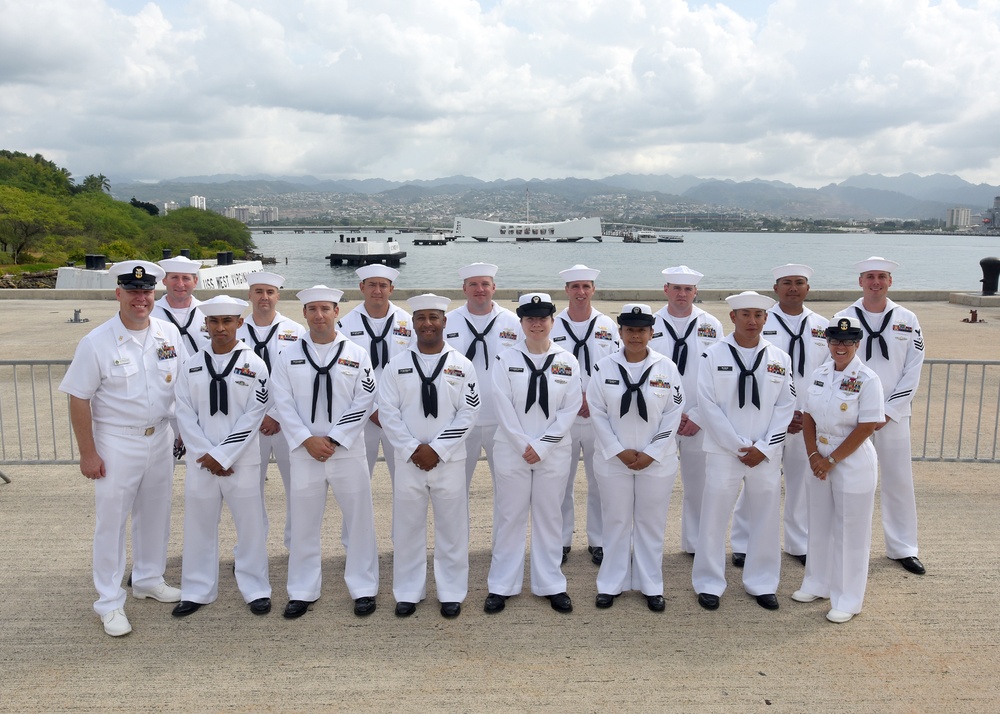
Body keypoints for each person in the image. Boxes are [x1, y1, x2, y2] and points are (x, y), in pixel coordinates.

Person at [59, 260, 183, 637]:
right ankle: (110, 602)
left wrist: (182, 432)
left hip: (160, 437)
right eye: (132, 291)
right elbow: (78, 398)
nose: (140, 298)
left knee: (156, 513)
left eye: (146, 292)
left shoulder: (168, 334)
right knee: (112, 523)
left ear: (154, 294)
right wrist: (88, 453)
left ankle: (147, 578)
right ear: (118, 293)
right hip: (116, 441)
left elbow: (181, 387)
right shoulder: (95, 342)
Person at [270, 285, 380, 619]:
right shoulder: (287, 355)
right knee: (303, 523)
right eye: (312, 309)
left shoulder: (357, 353)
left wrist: (333, 437)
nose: (319, 315)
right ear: (304, 314)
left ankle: (363, 587)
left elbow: (366, 400)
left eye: (326, 309)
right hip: (305, 452)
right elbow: (282, 403)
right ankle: (302, 590)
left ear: (337, 313)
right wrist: (307, 439)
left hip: (346, 450)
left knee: (360, 521)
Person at [378, 294, 480, 619]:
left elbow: (469, 412)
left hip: (448, 461)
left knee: (452, 529)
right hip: (408, 461)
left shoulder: (462, 365)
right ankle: (408, 591)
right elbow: (387, 412)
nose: (427, 324)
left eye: (434, 317)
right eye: (421, 318)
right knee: (408, 528)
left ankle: (451, 592)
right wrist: (412, 448)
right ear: (413, 324)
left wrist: (437, 448)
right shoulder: (396, 365)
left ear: (444, 322)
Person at [692, 291, 795, 612]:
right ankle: (708, 582)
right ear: (732, 318)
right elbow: (707, 406)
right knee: (713, 518)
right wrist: (738, 446)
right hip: (725, 453)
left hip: (765, 455)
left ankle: (762, 582)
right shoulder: (712, 355)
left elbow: (786, 406)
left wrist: (763, 447)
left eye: (759, 316)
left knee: (765, 519)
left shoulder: (780, 358)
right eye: (746, 315)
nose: (753, 321)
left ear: (766, 319)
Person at [172, 296, 272, 618]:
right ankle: (197, 589)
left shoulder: (255, 365)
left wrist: (225, 455)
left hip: (241, 460)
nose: (220, 328)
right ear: (206, 325)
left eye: (227, 321)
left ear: (239, 323)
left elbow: (255, 414)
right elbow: (184, 414)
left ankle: (256, 588)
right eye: (213, 322)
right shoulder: (191, 365)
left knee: (250, 526)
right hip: (202, 462)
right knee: (198, 525)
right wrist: (207, 454)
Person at [485, 293, 582, 615]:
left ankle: (550, 583)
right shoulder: (505, 359)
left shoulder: (567, 361)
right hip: (512, 450)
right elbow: (501, 405)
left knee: (549, 517)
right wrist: (522, 444)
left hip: (552, 452)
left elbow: (570, 409)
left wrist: (542, 445)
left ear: (553, 321)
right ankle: (502, 585)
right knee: (510, 516)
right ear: (521, 323)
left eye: (543, 318)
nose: (537, 324)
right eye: (530, 319)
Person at [587, 304, 685, 612]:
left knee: (650, 524)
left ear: (651, 333)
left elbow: (673, 414)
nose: (636, 335)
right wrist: (618, 450)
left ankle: (650, 585)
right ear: (620, 332)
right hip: (613, 460)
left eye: (642, 330)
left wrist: (652, 453)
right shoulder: (603, 368)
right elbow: (597, 413)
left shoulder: (667, 368)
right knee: (615, 522)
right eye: (629, 330)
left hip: (657, 462)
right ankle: (610, 584)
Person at [730, 264, 827, 567]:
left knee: (800, 483)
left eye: (799, 283)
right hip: (765, 418)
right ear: (775, 289)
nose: (793, 288)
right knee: (754, 481)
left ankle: (798, 543)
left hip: (806, 420)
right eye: (786, 283)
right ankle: (743, 542)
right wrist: (782, 415)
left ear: (808, 289)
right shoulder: (761, 321)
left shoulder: (823, 326)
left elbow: (827, 373)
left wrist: (807, 412)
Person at [835, 257, 926, 576]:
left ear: (890, 282)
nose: (876, 282)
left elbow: (913, 368)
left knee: (898, 480)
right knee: (844, 479)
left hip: (893, 415)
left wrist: (887, 410)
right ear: (860, 281)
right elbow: (833, 362)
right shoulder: (843, 317)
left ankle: (903, 547)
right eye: (870, 277)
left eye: (882, 277)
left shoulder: (907, 318)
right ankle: (841, 545)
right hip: (852, 414)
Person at [792, 316, 885, 624]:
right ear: (828, 343)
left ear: (857, 344)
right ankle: (817, 583)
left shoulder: (868, 379)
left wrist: (831, 461)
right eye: (835, 341)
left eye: (847, 342)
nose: (840, 347)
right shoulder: (820, 374)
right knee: (818, 525)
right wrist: (813, 455)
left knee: (851, 532)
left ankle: (848, 597)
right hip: (818, 458)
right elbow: (808, 417)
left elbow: (867, 426)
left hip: (852, 463)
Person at [649, 265, 725, 555]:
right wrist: (665, 415)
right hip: (658, 418)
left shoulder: (712, 325)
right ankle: (649, 545)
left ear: (695, 292)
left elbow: (718, 376)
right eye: (676, 288)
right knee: (653, 488)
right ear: (666, 290)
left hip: (697, 418)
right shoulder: (650, 323)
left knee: (699, 487)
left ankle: (695, 544)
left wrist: (697, 415)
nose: (682, 294)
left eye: (688, 289)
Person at [551, 264, 619, 566]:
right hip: (561, 417)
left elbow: (616, 367)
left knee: (600, 480)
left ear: (593, 290)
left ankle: (599, 540)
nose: (580, 292)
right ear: (566, 290)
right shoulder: (552, 325)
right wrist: (571, 400)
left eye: (586, 287)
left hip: (598, 415)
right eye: (575, 287)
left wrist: (592, 398)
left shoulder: (607, 325)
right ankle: (561, 539)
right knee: (560, 481)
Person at [236, 271, 306, 549]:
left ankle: (296, 545)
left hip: (286, 422)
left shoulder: (296, 331)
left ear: (278, 296)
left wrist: (275, 414)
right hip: (247, 422)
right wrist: (257, 415)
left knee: (297, 488)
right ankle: (251, 547)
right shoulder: (236, 330)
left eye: (270, 292)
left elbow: (300, 379)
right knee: (249, 490)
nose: (264, 297)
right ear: (250, 295)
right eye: (258, 291)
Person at [444, 263, 522, 490]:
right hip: (458, 417)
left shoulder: (514, 323)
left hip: (501, 419)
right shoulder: (448, 322)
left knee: (506, 489)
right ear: (464, 289)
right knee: (455, 489)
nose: (480, 289)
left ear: (494, 287)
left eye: (485, 284)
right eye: (474, 284)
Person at [337, 264, 413, 482]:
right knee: (357, 482)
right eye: (372, 285)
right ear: (362, 287)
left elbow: (416, 368)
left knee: (405, 482)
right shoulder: (345, 325)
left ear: (392, 289)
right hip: (360, 415)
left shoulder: (408, 322)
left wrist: (391, 410)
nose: (377, 290)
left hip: (400, 414)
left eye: (383, 285)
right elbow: (341, 374)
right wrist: (371, 408)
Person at [153, 256, 209, 361]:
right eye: (174, 277)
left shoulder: (207, 312)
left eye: (186, 278)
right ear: (164, 280)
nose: (180, 284)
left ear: (195, 281)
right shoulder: (151, 314)